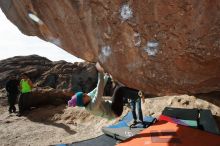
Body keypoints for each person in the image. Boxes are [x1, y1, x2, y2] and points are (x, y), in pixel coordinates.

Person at [68, 62, 144, 120]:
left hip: (112, 105)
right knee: (119, 90)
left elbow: (97, 88)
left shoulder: (88, 97)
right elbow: (99, 91)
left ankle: (136, 92)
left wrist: (106, 76)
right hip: (115, 112)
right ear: (83, 101)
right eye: (83, 95)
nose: (85, 94)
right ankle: (138, 96)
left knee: (118, 86)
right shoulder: (92, 107)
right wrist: (100, 72)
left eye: (83, 93)